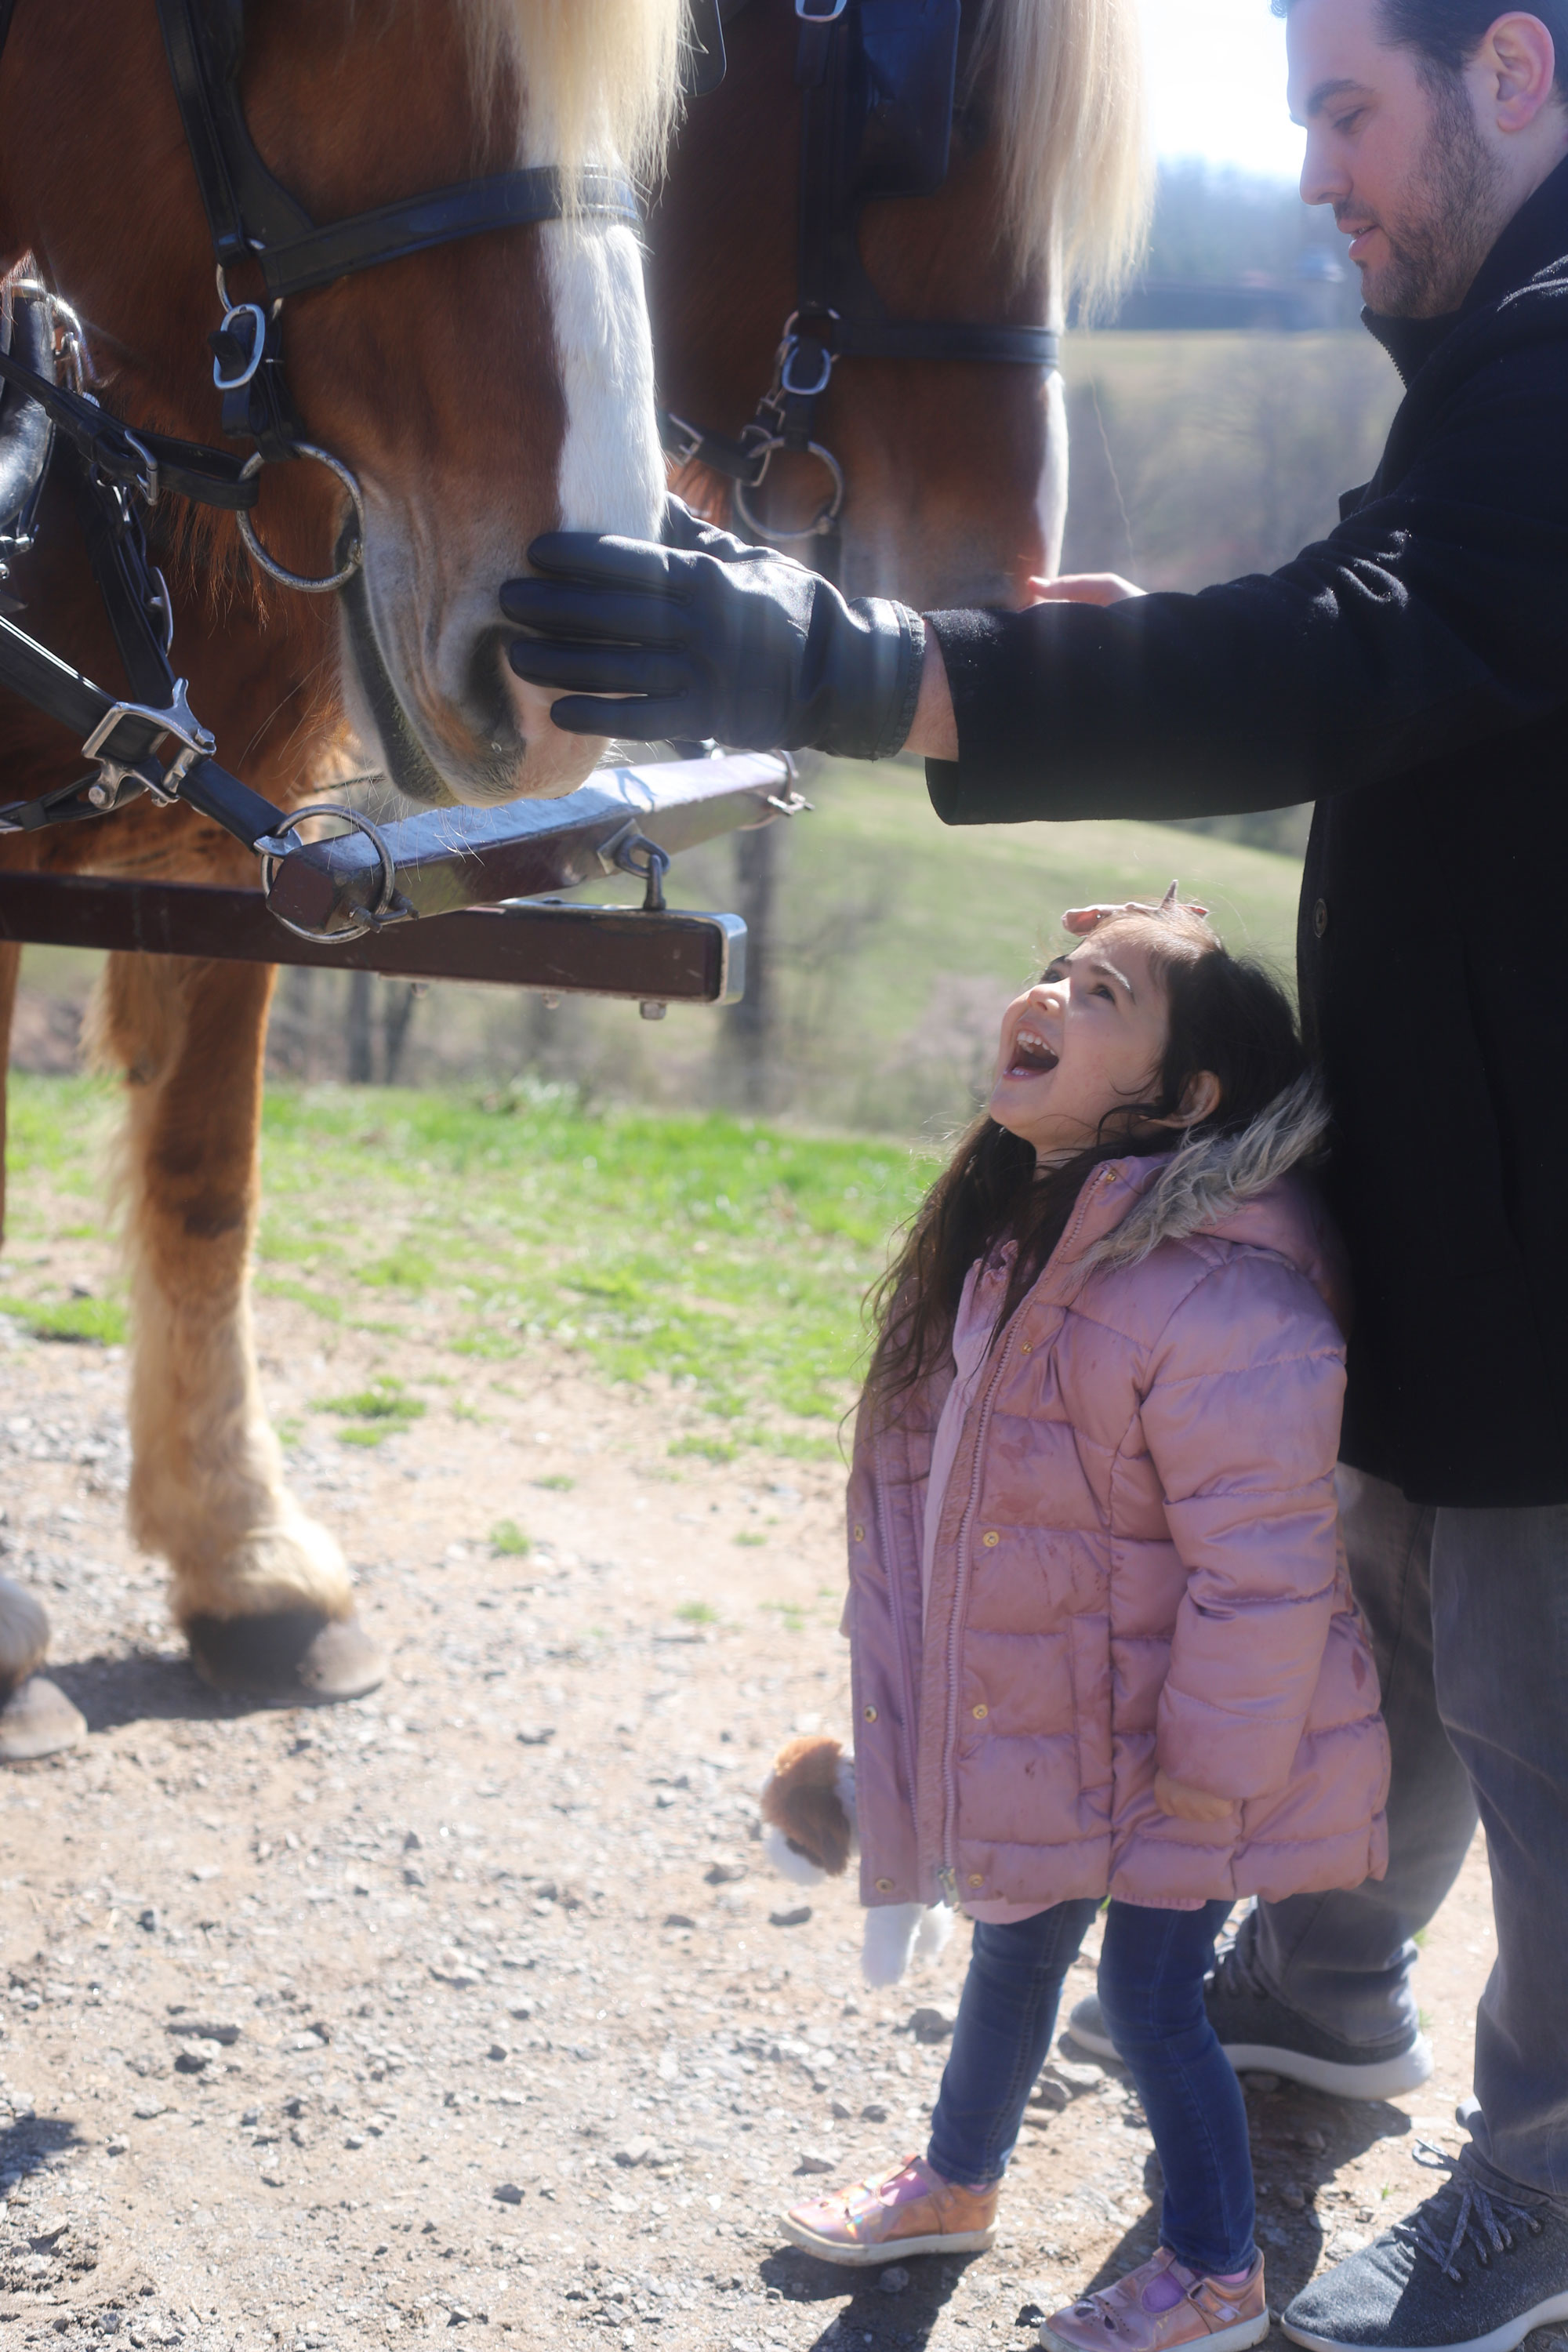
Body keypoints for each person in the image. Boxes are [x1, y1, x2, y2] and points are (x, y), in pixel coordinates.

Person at [502, 7, 1568, 2347]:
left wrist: (876, 671)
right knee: (1356, 1676)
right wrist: (1103, 659)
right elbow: (1390, 646)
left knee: (1525, 1706)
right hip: (1457, 1205)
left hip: (1549, 1250)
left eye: (1342, 111)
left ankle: (1548, 2194)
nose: (1307, 174)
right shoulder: (1496, 368)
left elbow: (1363, 651)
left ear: (1514, 73)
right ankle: (1303, 2064)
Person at [772, 896, 1388, 2352]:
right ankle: (958, 2184)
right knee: (1014, 1943)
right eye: (1050, 972)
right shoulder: (1032, 1248)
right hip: (1071, 1716)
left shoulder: (1225, 1295)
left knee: (1153, 1996)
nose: (1043, 994)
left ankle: (1218, 2269)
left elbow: (1270, 1568)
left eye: (1099, 990)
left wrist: (1219, 1766)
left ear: (1185, 1100)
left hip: (1198, 1744)